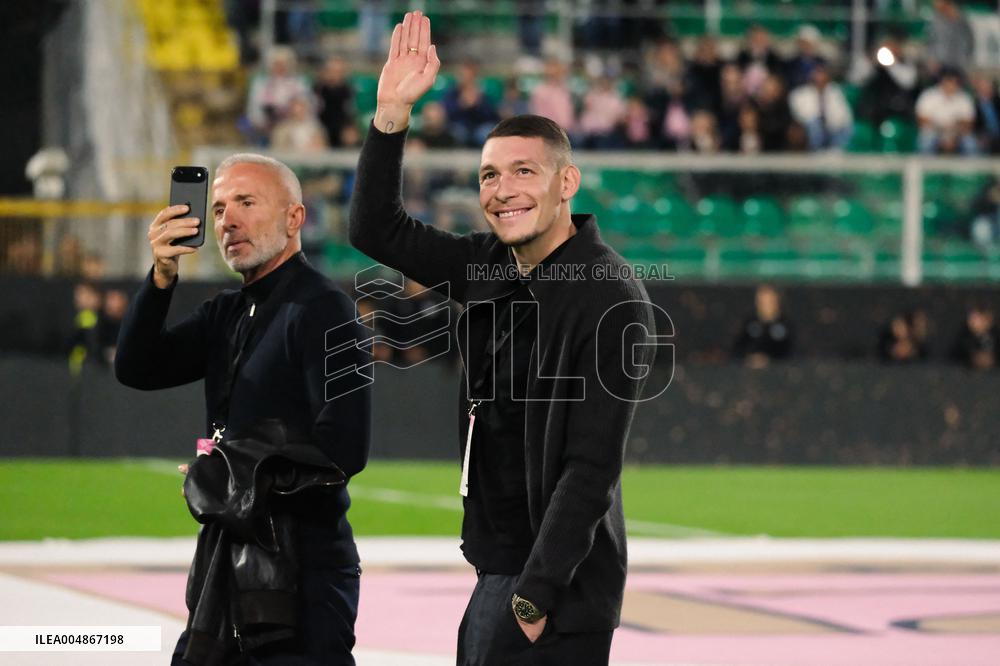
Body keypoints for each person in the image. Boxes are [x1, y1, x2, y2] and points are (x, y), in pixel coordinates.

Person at [349, 11, 657, 665]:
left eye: (523, 172)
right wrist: (391, 114)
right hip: (499, 571)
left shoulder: (610, 295)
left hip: (554, 591)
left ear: (566, 183)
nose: (502, 190)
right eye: (490, 175)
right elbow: (376, 229)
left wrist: (535, 598)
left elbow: (591, 467)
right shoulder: (487, 264)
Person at [114, 154, 371, 665]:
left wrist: (232, 475)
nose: (227, 220)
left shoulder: (327, 308)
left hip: (304, 571)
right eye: (217, 208)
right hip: (226, 560)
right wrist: (161, 277)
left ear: (295, 219)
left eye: (246, 202)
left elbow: (345, 447)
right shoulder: (226, 311)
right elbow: (136, 367)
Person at [916, 68, 978, 155]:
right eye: (949, 81)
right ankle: (925, 164)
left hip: (957, 133)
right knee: (926, 142)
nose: (952, 84)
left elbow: (968, 122)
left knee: (970, 143)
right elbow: (922, 120)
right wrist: (941, 131)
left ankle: (971, 164)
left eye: (955, 82)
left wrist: (953, 135)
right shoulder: (928, 95)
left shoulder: (964, 97)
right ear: (942, 81)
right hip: (933, 132)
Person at [733, 284, 794, 368]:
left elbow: (791, 355)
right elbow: (737, 351)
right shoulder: (749, 323)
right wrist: (749, 359)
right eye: (761, 302)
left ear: (777, 301)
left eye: (769, 301)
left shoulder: (786, 325)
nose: (765, 306)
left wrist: (769, 360)